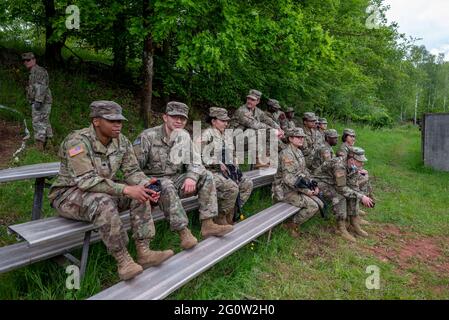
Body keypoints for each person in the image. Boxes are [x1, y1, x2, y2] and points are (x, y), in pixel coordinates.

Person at [48, 101, 173, 280]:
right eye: (112, 121)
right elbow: (86, 181)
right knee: (104, 202)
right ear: (96, 121)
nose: (118, 125)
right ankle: (123, 261)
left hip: (103, 190)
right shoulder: (77, 142)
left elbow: (132, 171)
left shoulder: (121, 141)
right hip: (68, 195)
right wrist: (126, 189)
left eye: (120, 121)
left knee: (141, 194)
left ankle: (144, 251)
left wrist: (145, 183)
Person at [133, 101, 233, 250]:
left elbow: (196, 162)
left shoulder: (184, 136)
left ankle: (208, 224)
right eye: (175, 117)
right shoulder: (148, 137)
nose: (179, 121)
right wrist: (145, 184)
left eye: (183, 118)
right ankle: (184, 233)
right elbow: (133, 168)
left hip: (175, 180)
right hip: (151, 183)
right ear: (165, 117)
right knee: (165, 184)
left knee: (206, 175)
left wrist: (191, 177)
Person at [201, 107, 253, 225]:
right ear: (213, 121)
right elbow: (199, 158)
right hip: (211, 172)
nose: (226, 123)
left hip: (229, 171)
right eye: (223, 120)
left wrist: (235, 159)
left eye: (227, 121)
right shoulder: (205, 136)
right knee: (233, 188)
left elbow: (232, 152)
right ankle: (220, 217)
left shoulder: (226, 135)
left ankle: (231, 212)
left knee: (247, 183)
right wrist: (217, 162)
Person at [313, 146, 375, 242]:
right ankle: (341, 228)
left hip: (333, 182)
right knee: (340, 196)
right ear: (351, 160)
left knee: (353, 193)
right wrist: (361, 196)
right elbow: (341, 188)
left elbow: (353, 185)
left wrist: (359, 195)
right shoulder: (340, 166)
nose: (362, 164)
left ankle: (354, 222)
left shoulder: (353, 166)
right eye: (359, 161)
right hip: (320, 182)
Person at [272, 127, 322, 237]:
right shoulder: (287, 154)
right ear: (290, 138)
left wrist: (314, 184)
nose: (301, 139)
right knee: (314, 206)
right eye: (298, 137)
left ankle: (291, 223)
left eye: (302, 137)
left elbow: (304, 171)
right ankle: (291, 225)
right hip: (284, 190)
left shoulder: (298, 152)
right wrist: (307, 191)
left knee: (321, 203)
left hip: (295, 187)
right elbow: (289, 179)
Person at [229, 89, 284, 168]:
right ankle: (259, 160)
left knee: (272, 135)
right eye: (248, 99)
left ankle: (269, 158)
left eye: (252, 100)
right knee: (256, 131)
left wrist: (279, 129)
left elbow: (268, 120)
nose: (249, 101)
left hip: (246, 139)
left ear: (258, 101)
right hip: (234, 140)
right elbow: (254, 124)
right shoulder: (241, 111)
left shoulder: (257, 111)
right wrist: (273, 130)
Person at [22, 52, 53, 150]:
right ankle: (49, 144)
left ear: (34, 60)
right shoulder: (33, 72)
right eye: (24, 61)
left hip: (41, 101)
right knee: (44, 121)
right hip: (40, 101)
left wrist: (38, 101)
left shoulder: (38, 71)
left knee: (38, 122)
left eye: (28, 60)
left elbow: (41, 86)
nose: (26, 62)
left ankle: (39, 147)